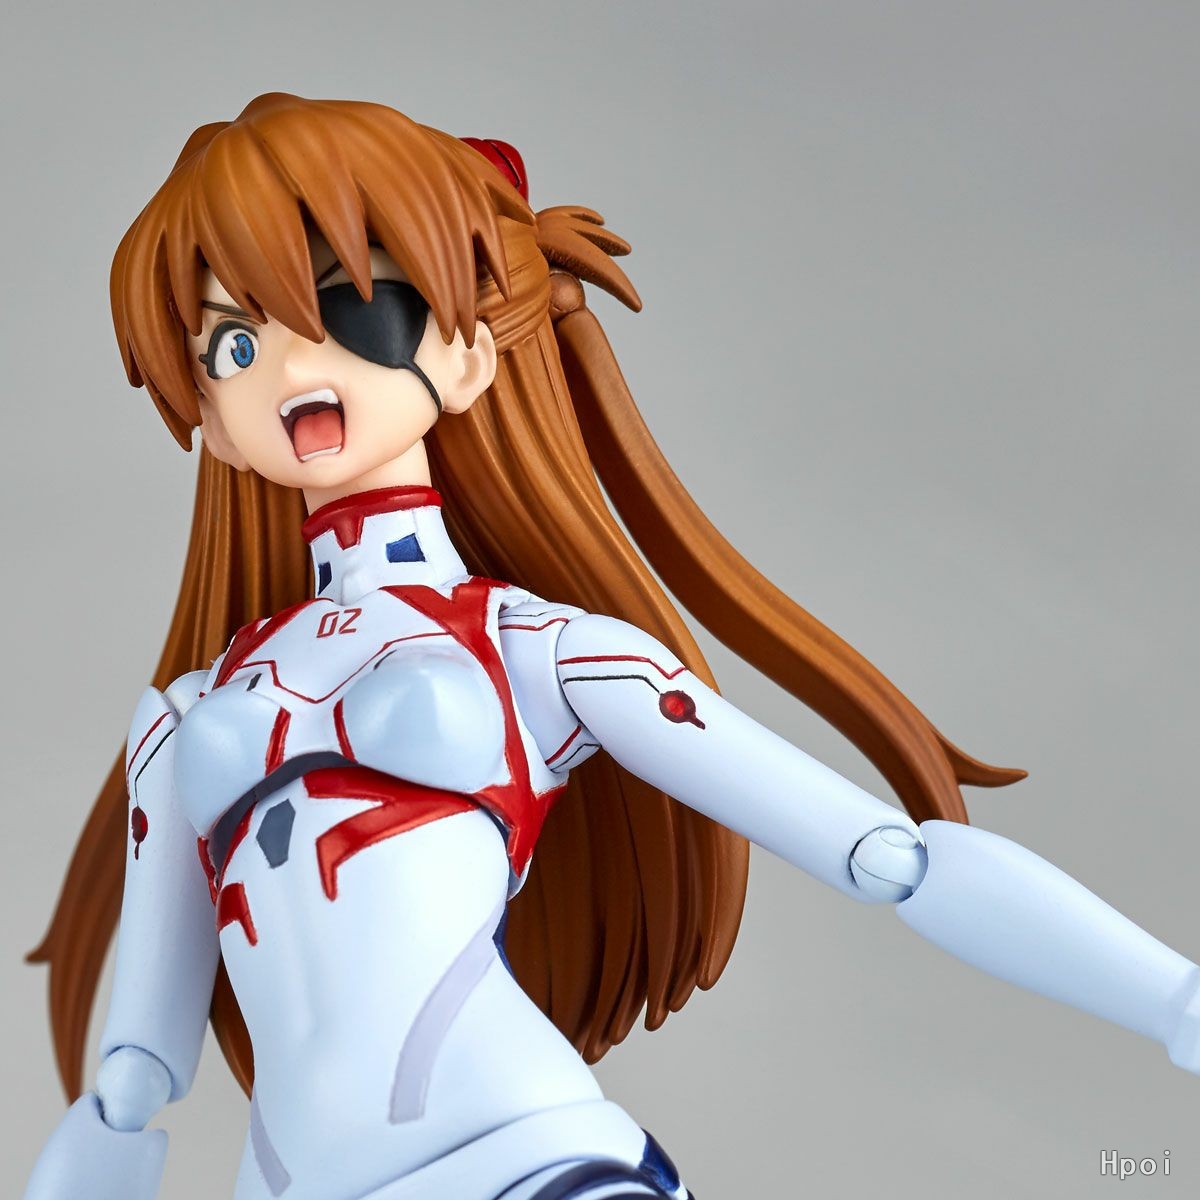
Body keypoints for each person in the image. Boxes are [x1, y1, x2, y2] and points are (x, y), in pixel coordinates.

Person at [22, 93, 1200, 1200]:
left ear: (468, 354)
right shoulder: (186, 712)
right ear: (212, 423)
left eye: (350, 305)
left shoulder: (542, 651)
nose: (289, 367)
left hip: (530, 1158)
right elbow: (136, 1073)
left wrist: (1174, 1002)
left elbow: (889, 859)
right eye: (233, 345)